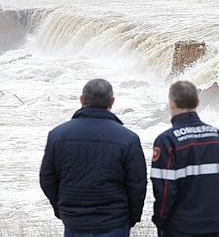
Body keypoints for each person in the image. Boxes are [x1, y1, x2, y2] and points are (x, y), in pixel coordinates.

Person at [40, 79, 147, 237]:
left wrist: (62, 210)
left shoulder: (57, 136)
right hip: (114, 222)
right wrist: (131, 218)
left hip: (74, 222)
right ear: (112, 102)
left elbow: (47, 178)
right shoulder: (128, 139)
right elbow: (137, 184)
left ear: (82, 100)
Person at [151, 81, 219, 237]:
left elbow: (164, 193)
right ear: (198, 102)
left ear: (171, 104)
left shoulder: (167, 142)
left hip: (179, 229)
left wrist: (160, 223)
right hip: (215, 227)